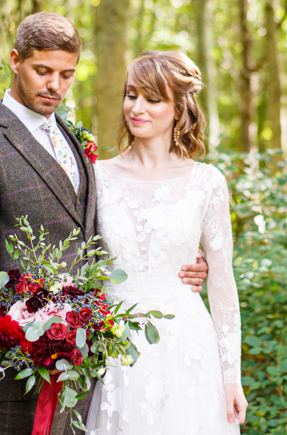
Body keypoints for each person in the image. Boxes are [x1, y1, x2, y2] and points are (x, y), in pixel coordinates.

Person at [0, 13, 209, 435]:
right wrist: (31, 330)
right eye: (42, 71)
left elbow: (97, 233)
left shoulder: (71, 137)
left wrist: (180, 261)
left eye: (66, 75)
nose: (55, 86)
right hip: (23, 371)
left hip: (93, 363)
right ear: (15, 60)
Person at [86, 51, 248, 434]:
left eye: (152, 99)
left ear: (179, 109)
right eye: (131, 95)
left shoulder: (207, 183)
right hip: (113, 345)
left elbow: (223, 283)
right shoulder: (96, 176)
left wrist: (231, 376)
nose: (136, 108)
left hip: (186, 345)